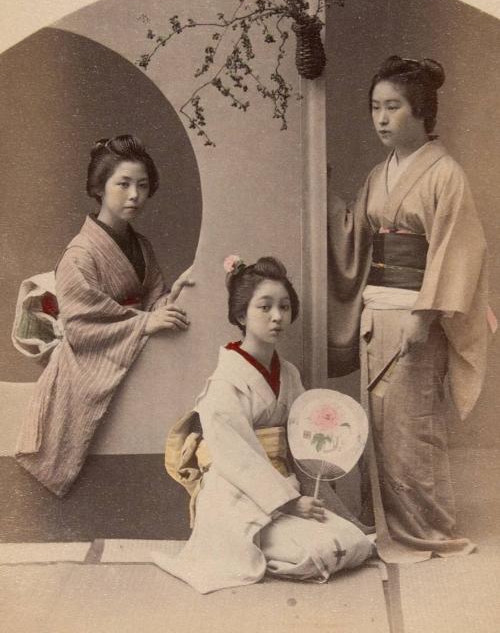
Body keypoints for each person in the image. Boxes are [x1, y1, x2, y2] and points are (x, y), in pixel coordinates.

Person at [328, 56, 490, 562]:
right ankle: (385, 524)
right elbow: (357, 235)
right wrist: (325, 197)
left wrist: (424, 315)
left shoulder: (446, 175)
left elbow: (456, 249)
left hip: (418, 313)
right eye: (375, 107)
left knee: (413, 426)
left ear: (420, 110)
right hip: (376, 311)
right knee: (378, 422)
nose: (381, 118)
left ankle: (426, 527)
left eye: (392, 106)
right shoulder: (380, 174)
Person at [152, 256, 373, 594]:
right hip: (237, 495)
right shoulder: (225, 382)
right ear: (241, 315)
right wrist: (287, 502)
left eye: (284, 307)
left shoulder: (289, 374)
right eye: (264, 307)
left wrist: (308, 493)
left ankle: (291, 537)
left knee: (352, 542)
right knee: (320, 552)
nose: (277, 317)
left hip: (283, 487)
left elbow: (299, 440)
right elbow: (236, 458)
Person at [15, 134, 194, 496]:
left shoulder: (141, 245)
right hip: (87, 361)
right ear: (99, 187)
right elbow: (82, 327)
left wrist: (172, 299)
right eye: (123, 184)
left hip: (130, 353)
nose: (134, 195)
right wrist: (145, 321)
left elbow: (155, 298)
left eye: (142, 186)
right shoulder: (79, 254)